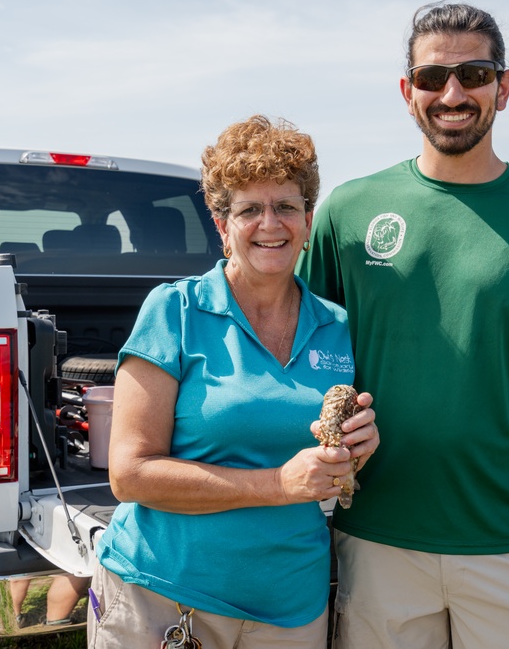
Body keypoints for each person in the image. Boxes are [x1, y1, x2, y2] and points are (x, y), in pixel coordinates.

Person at [298, 1, 509, 648]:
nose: (452, 93)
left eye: (475, 74)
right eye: (431, 79)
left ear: (503, 87)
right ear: (407, 93)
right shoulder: (349, 210)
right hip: (374, 537)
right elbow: (299, 356)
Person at [89, 114, 379, 648]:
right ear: (223, 226)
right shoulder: (175, 311)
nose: (271, 223)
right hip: (167, 600)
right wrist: (278, 485)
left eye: (286, 206)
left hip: (290, 608)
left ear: (308, 220)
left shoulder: (335, 326)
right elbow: (129, 475)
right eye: (250, 209)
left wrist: (357, 447)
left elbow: (320, 455)